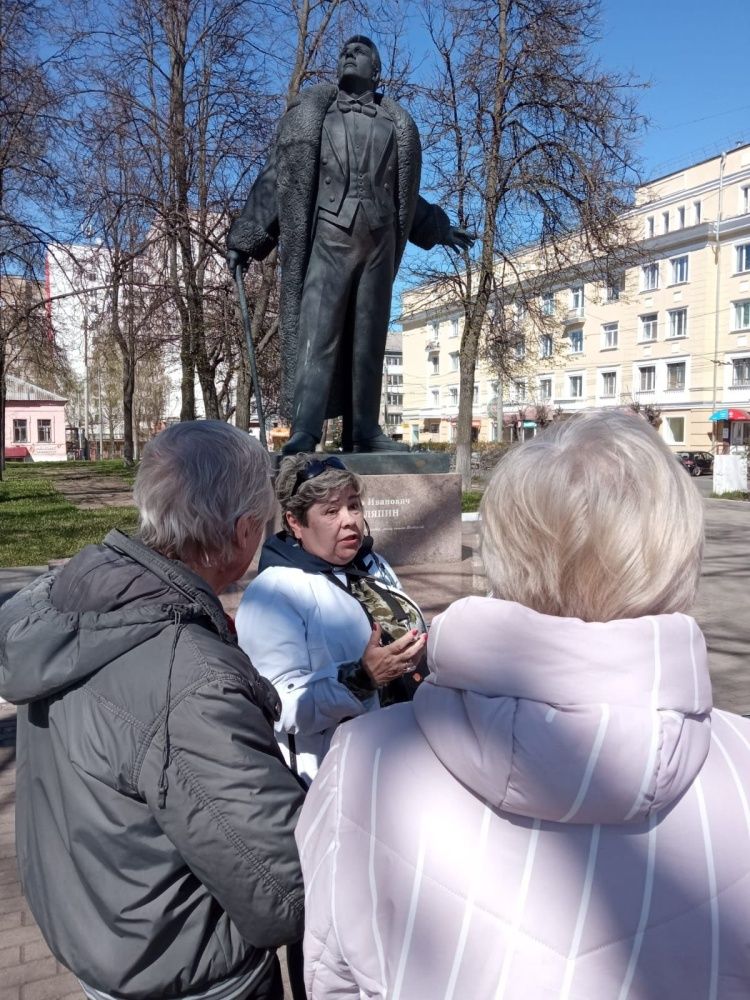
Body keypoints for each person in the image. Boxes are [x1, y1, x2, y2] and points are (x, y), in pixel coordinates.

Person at [296, 409, 750, 998]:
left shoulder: (368, 763)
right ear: (677, 550)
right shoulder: (742, 770)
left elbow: (333, 978)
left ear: (503, 550)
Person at [0, 421, 306, 1000]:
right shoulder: (188, 675)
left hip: (107, 938)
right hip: (192, 973)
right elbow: (284, 890)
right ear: (243, 531)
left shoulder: (69, 599)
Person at [226, 35, 472, 454]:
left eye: (358, 53)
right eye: (344, 52)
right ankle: (305, 429)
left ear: (376, 72)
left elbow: (405, 196)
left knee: (369, 341)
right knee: (317, 335)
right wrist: (246, 237)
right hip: (330, 239)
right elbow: (278, 178)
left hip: (378, 244)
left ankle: (364, 431)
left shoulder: (397, 126)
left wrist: (440, 228)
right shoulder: (312, 118)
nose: (347, 55)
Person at [236, 453, 427, 785]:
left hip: (400, 760)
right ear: (295, 522)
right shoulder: (273, 593)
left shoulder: (372, 565)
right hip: (333, 780)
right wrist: (360, 678)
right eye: (331, 511)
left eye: (353, 505)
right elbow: (277, 703)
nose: (350, 520)